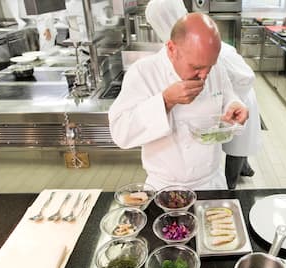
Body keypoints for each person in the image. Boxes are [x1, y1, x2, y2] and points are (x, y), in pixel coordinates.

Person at [108, 13, 249, 190]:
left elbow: (227, 94)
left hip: (211, 184)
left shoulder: (214, 66)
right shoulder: (144, 72)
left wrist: (233, 105)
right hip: (165, 188)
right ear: (172, 49)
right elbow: (120, 132)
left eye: (210, 67)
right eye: (196, 67)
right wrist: (165, 101)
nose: (205, 75)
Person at [145, 0, 262, 189]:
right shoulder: (174, 51)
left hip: (242, 99)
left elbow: (246, 78)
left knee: (236, 149)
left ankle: (234, 184)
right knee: (230, 146)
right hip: (225, 109)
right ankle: (243, 168)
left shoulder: (210, 50)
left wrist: (229, 100)